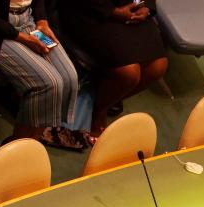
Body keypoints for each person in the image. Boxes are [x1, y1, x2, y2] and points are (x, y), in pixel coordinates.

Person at [0, 0, 84, 149]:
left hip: (28, 21)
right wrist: (22, 37)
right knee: (48, 83)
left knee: (69, 78)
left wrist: (42, 21)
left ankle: (33, 140)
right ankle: (14, 148)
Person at [58, 0, 168, 137]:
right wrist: (113, 12)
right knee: (129, 73)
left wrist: (147, 6)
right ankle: (98, 112)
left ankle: (108, 98)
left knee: (157, 66)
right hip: (90, 12)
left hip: (130, 6)